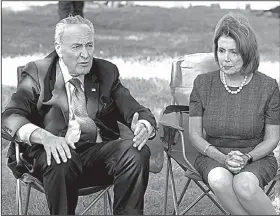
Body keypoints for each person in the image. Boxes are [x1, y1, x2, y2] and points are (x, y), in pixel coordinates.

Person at [2, 15, 157, 215]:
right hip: (50, 158)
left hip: (96, 155)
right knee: (60, 157)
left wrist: (143, 124)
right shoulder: (38, 72)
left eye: (89, 45)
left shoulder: (106, 71)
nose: (85, 54)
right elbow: (9, 116)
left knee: (136, 150)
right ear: (59, 48)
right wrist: (46, 138)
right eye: (76, 47)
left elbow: (135, 108)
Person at [189, 12, 280, 215]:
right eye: (221, 50)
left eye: (234, 52)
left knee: (244, 186)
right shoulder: (203, 83)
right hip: (212, 154)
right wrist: (222, 158)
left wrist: (247, 157)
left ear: (247, 53)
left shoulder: (268, 86)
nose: (226, 59)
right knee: (219, 180)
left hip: (257, 156)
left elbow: (272, 138)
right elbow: (195, 135)